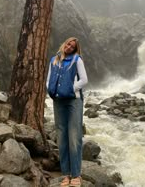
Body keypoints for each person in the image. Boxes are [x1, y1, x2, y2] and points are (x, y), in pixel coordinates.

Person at [46, 37, 88, 187]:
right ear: (64, 43)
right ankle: (66, 175)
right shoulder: (54, 60)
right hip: (58, 101)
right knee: (62, 138)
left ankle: (76, 175)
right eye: (68, 43)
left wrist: (70, 89)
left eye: (73, 46)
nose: (70, 47)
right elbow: (49, 79)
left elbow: (84, 80)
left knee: (74, 137)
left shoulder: (77, 60)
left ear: (75, 49)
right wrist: (51, 90)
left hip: (73, 102)